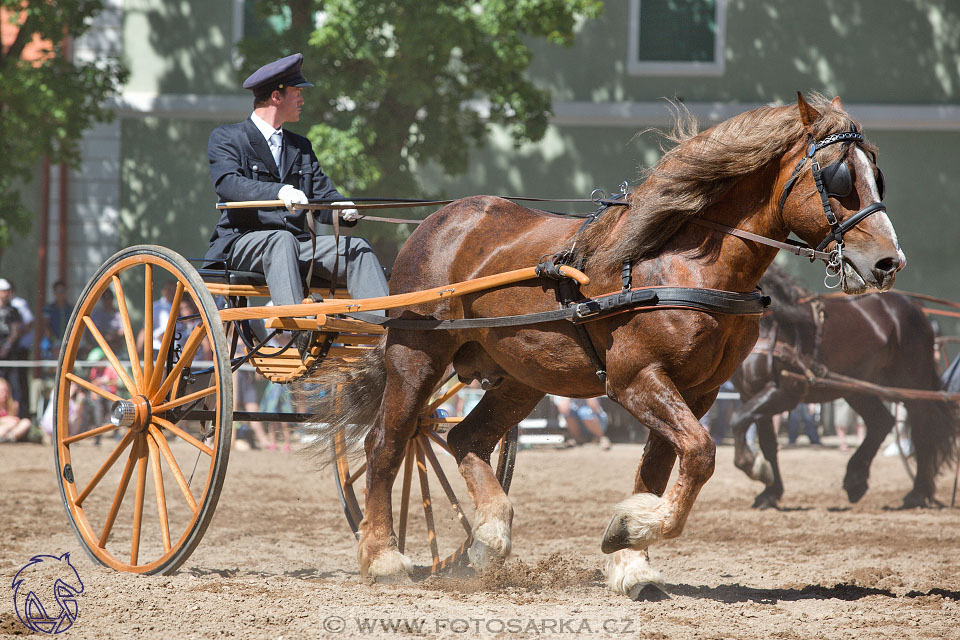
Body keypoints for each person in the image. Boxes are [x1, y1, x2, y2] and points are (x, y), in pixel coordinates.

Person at [204, 52, 389, 325]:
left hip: (298, 245)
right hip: (243, 241)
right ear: (276, 97)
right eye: (297, 92)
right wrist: (278, 192)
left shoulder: (300, 146)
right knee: (281, 240)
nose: (302, 100)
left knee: (356, 248)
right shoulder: (228, 137)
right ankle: (299, 328)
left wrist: (342, 208)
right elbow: (229, 184)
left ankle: (380, 335)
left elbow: (322, 196)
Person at [0, 279, 24, 405]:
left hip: (9, 353)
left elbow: (16, 331)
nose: (7, 293)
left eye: (8, 291)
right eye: (4, 291)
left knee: (13, 385)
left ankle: (14, 413)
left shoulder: (13, 311)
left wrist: (7, 346)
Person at [41, 280, 73, 359]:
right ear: (54, 293)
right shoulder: (48, 308)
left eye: (62, 291)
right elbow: (46, 325)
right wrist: (55, 341)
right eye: (58, 291)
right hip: (51, 342)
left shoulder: (71, 309)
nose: (60, 294)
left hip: (67, 341)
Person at [0, 377, 33, 443]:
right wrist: (5, 420)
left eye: (6, 391)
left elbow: (15, 421)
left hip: (9, 430)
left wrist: (11, 422)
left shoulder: (13, 404)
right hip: (3, 427)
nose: (4, 394)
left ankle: (8, 438)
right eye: (2, 391)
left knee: (26, 422)